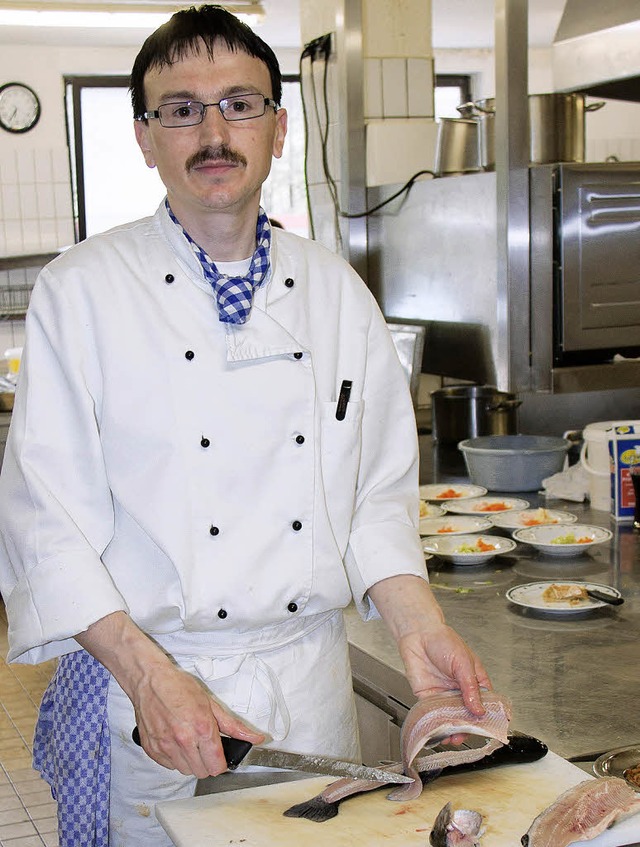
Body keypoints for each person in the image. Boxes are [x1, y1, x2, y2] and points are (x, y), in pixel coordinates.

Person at [0, 6, 491, 846]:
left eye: (240, 102)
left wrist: (422, 628)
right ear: (145, 138)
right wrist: (151, 679)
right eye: (181, 108)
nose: (214, 130)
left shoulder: (338, 293)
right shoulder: (80, 293)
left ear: (280, 126)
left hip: (312, 687)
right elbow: (47, 524)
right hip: (162, 690)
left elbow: (375, 498)